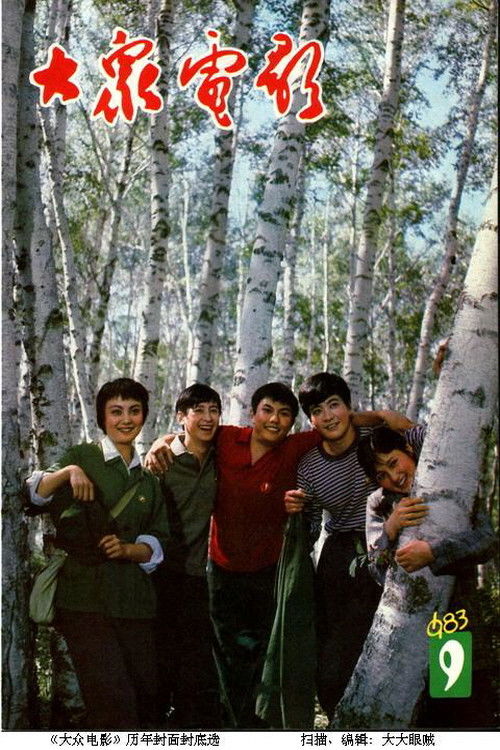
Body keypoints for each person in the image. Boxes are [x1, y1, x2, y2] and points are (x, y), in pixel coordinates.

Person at [147, 380, 409, 728]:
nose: (274, 419)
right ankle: (234, 727)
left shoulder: (295, 447)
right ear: (252, 414)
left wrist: (370, 416)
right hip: (222, 570)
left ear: (293, 423)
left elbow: (340, 425)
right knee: (229, 656)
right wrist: (160, 442)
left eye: (285, 414)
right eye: (267, 410)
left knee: (266, 657)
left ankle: (263, 726)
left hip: (270, 572)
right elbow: (191, 431)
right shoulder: (227, 438)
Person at [26, 378, 169, 730]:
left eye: (134, 411)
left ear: (144, 416)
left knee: (147, 696)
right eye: (116, 411)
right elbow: (34, 493)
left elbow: (159, 540)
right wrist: (68, 472)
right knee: (111, 700)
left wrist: (129, 549)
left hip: (134, 602)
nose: (126, 419)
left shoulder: (149, 480)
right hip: (84, 598)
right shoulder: (82, 457)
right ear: (102, 417)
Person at [284, 372, 418, 722]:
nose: (328, 416)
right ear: (310, 420)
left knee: (403, 635)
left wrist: (380, 416)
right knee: (338, 651)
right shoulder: (309, 465)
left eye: (334, 405)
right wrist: (295, 514)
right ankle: (343, 721)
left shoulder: (376, 443)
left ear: (349, 407)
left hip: (400, 542)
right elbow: (311, 528)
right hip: (341, 555)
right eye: (317, 411)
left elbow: (426, 442)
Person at [357, 425, 498, 728]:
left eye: (394, 463)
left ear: (409, 450)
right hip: (401, 629)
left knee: (459, 708)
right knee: (416, 718)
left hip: (453, 618)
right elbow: (375, 570)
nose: (394, 477)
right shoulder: (378, 503)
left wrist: (434, 553)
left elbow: (487, 540)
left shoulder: (451, 483)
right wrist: (389, 530)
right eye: (381, 475)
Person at [153, 383, 222, 728]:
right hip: (161, 575)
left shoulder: (221, 455)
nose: (208, 418)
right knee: (161, 662)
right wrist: (160, 443)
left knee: (195, 668)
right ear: (181, 416)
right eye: (199, 411)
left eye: (214, 410)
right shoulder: (162, 461)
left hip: (199, 576)